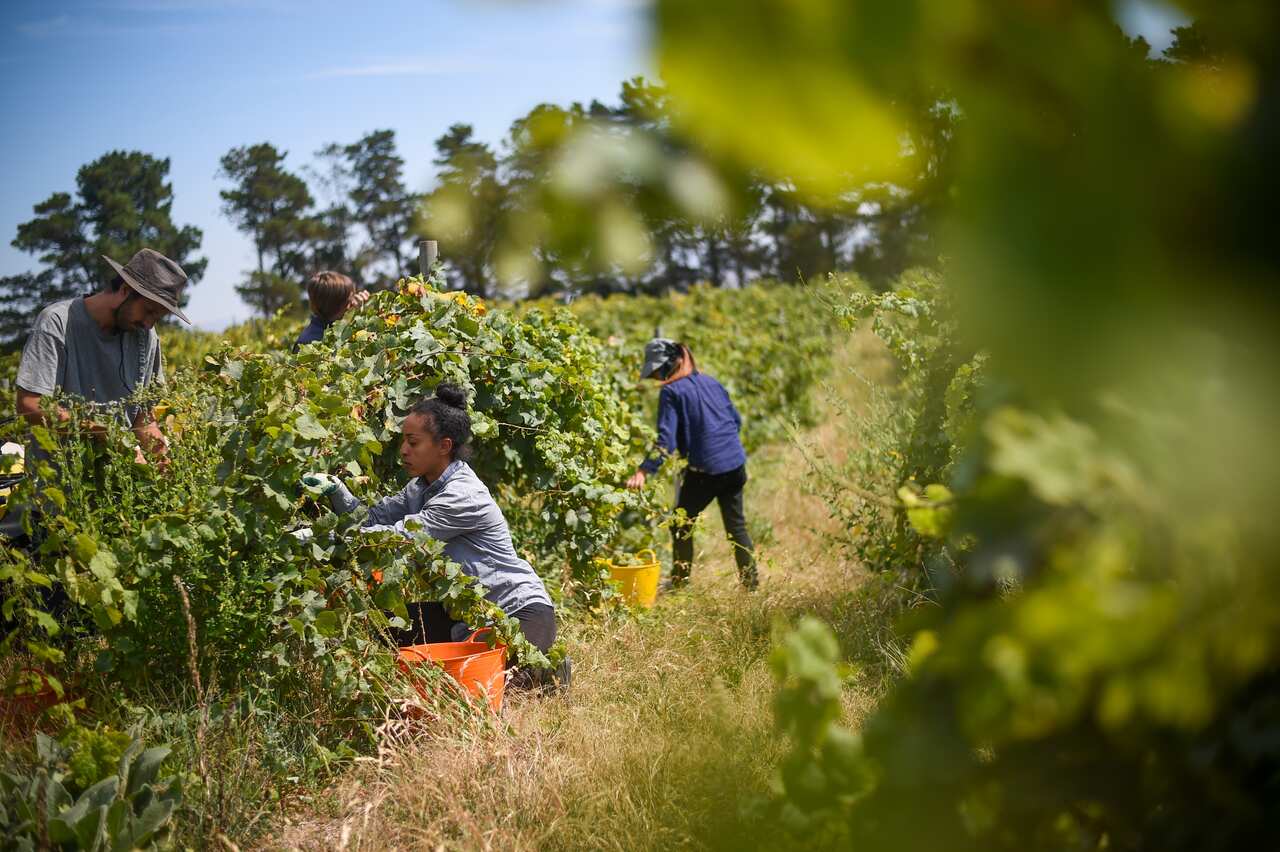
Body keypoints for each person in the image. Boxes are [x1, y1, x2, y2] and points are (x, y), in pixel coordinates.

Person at [302, 383, 570, 688]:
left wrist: (322, 537)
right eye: (403, 440)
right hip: (468, 611)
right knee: (387, 628)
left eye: (413, 443)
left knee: (496, 691)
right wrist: (338, 491)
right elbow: (372, 519)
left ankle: (549, 672)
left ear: (444, 446)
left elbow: (398, 537)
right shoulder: (420, 487)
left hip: (518, 612)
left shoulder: (462, 496)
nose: (403, 450)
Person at [1, 248, 188, 542]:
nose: (150, 323)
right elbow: (30, 405)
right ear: (125, 290)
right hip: (57, 505)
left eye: (159, 317)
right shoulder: (57, 324)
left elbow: (143, 419)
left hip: (118, 509)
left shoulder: (146, 338)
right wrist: (103, 432)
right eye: (149, 311)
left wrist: (161, 457)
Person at [626, 338, 758, 590]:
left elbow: (666, 441)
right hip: (735, 465)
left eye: (655, 371)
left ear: (668, 365)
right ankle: (751, 586)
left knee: (680, 523)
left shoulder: (671, 392)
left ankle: (679, 582)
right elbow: (736, 421)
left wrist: (644, 471)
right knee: (736, 528)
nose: (655, 377)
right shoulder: (711, 382)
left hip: (707, 471)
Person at [293, 270, 369, 350]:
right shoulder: (313, 343)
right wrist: (362, 316)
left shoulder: (316, 333)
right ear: (338, 303)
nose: (353, 302)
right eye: (350, 299)